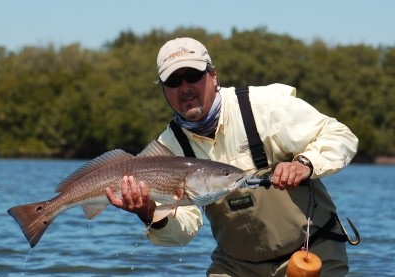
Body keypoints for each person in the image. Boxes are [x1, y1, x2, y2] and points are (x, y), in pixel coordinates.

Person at [106, 37, 359, 277]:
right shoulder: (167, 148)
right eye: (173, 81)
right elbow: (184, 231)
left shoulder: (264, 107)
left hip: (311, 255)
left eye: (193, 76)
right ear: (164, 90)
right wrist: (148, 212)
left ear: (214, 75)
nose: (185, 88)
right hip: (236, 266)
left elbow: (341, 136)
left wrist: (306, 164)